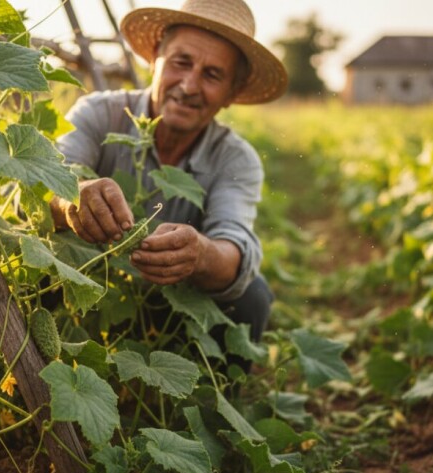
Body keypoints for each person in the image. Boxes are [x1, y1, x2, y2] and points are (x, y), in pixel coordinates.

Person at [49, 0, 288, 347]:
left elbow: (234, 245)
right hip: (87, 294)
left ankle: (204, 393)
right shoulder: (100, 114)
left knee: (252, 297)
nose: (189, 86)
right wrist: (73, 196)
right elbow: (48, 180)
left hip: (169, 311)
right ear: (155, 60)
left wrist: (201, 255)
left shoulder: (237, 159)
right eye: (181, 62)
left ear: (230, 94)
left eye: (212, 75)